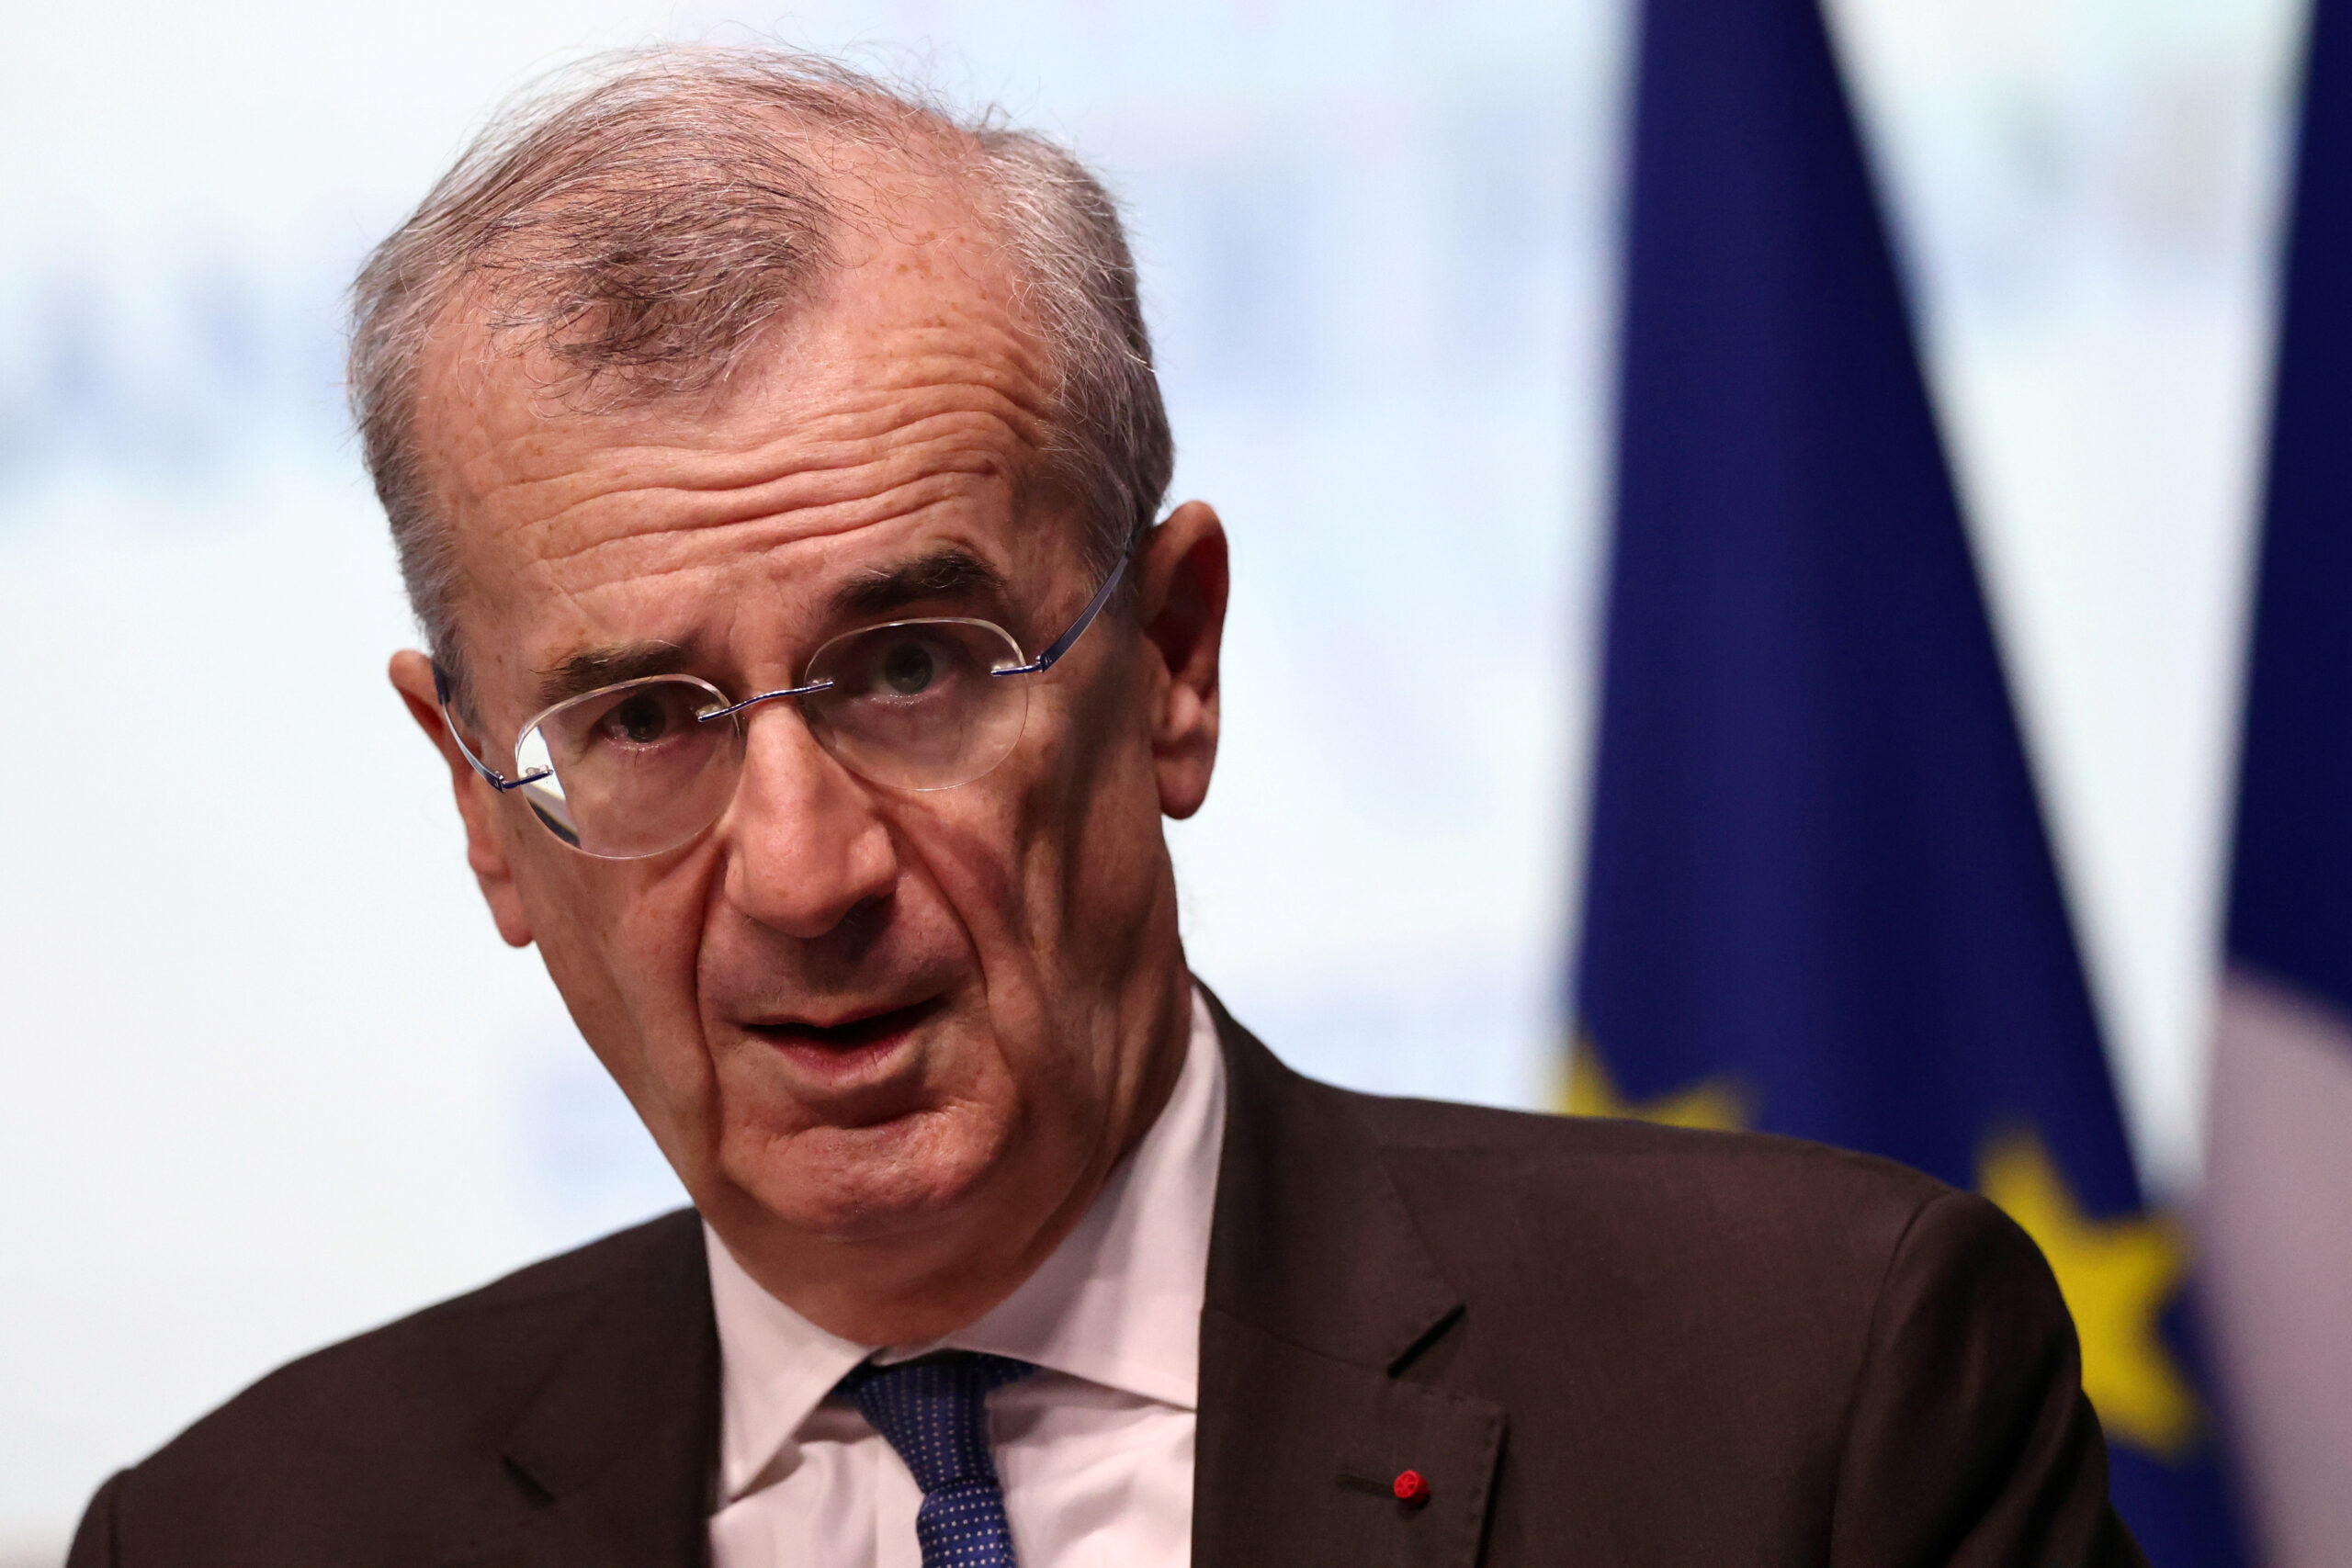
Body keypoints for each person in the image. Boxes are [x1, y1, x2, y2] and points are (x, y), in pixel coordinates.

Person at [67, 46, 2143, 1568]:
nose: (802, 874)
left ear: (1169, 658)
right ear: (480, 803)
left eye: (910, 664)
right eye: (644, 717)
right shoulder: (245, 1534)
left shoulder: (1808, 1391)